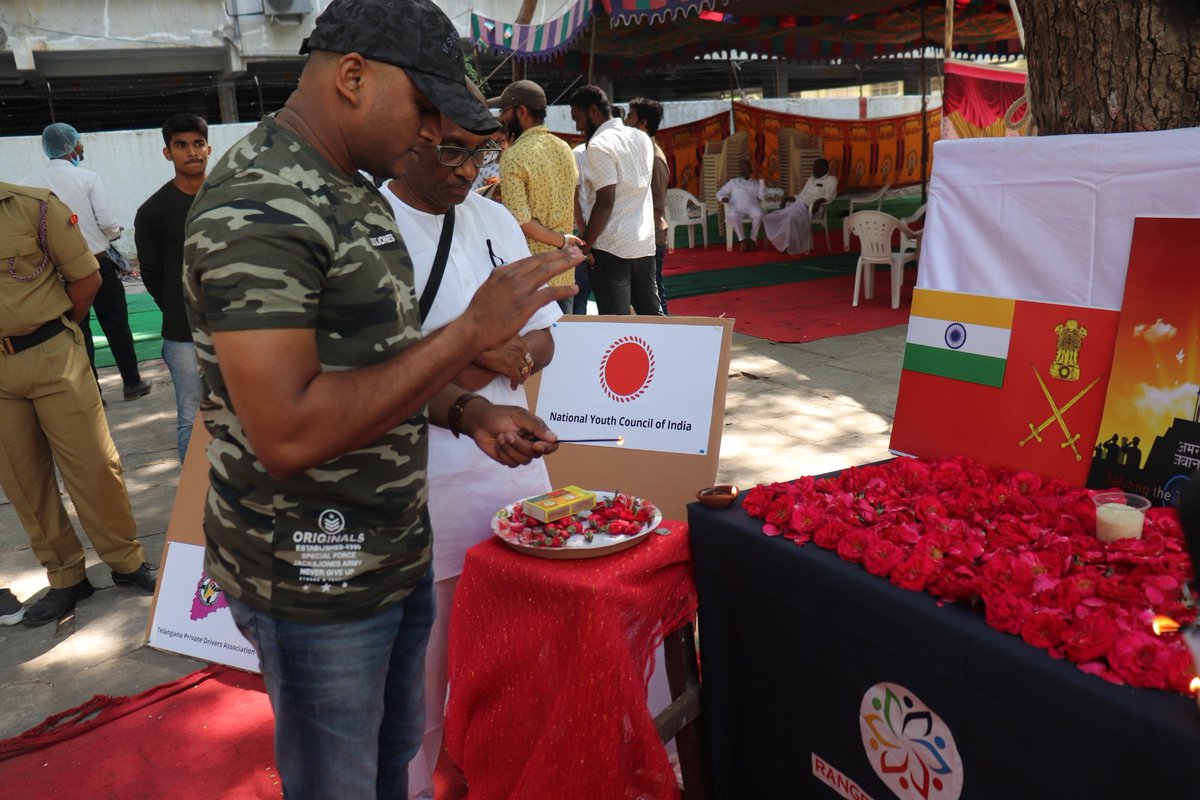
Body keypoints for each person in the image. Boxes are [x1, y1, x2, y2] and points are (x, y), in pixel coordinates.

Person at [181, 1, 580, 797]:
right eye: (425, 110)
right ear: (353, 77)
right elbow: (290, 431)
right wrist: (471, 332)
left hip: (394, 547)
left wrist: (468, 413)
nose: (434, 137)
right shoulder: (258, 205)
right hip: (313, 573)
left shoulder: (350, 191)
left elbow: (375, 367)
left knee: (400, 760)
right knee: (344, 782)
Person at [381, 97, 561, 799]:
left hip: (511, 473)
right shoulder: (371, 226)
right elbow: (375, 369)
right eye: (453, 151)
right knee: (419, 684)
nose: (469, 170)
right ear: (411, 139)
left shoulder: (493, 221)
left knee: (523, 660)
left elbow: (548, 330)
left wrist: (516, 355)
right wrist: (474, 358)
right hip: (421, 488)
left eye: (483, 153)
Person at [0, 181, 157, 628]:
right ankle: (66, 577)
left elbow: (87, 277)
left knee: (92, 466)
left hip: (53, 353)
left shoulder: (35, 208)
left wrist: (56, 330)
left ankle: (126, 563)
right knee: (23, 482)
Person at [21, 123, 151, 403]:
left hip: (56, 270)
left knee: (77, 328)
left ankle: (93, 391)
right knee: (116, 323)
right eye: (79, 143)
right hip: (96, 262)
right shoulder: (88, 178)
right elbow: (106, 222)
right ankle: (132, 382)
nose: (82, 148)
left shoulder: (27, 184)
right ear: (71, 147)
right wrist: (112, 232)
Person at [135, 113, 211, 463]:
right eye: (181, 145)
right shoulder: (153, 212)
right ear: (168, 153)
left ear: (208, 148)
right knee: (191, 418)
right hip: (183, 335)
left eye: (197, 144)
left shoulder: (229, 197)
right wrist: (181, 310)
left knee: (249, 413)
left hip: (238, 326)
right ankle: (195, 508)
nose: (191, 152)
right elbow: (152, 275)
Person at [490, 79, 582, 313]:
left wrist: (561, 240)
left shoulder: (514, 156)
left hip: (533, 275)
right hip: (563, 271)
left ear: (521, 112)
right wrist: (564, 242)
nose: (501, 118)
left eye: (503, 111)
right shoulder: (564, 148)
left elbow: (520, 222)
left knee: (536, 346)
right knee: (565, 342)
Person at [569, 84, 662, 316]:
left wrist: (585, 246)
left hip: (611, 250)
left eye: (577, 118)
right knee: (654, 320)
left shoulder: (599, 145)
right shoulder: (642, 138)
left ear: (593, 111)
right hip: (643, 245)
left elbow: (605, 201)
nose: (578, 126)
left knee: (617, 326)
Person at [626, 97, 670, 314]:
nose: (625, 121)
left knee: (654, 299)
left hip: (651, 239)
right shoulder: (640, 153)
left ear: (642, 123)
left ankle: (665, 340)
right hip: (640, 238)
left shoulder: (654, 157)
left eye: (630, 116)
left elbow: (657, 208)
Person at [763, 157, 838, 255]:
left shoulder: (831, 180)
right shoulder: (811, 179)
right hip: (799, 204)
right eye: (814, 167)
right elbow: (801, 195)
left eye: (818, 168)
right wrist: (787, 198)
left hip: (812, 209)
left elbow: (828, 195)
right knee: (769, 218)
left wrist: (818, 201)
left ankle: (787, 245)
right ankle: (783, 243)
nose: (815, 170)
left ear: (826, 169)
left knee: (789, 219)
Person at [716, 158, 766, 252]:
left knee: (759, 214)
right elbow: (720, 192)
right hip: (737, 207)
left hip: (752, 207)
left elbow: (762, 197)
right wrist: (723, 198)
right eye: (741, 168)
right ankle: (742, 241)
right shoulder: (733, 182)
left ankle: (752, 240)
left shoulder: (755, 183)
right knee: (732, 215)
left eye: (746, 168)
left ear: (750, 170)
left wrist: (761, 180)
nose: (743, 171)